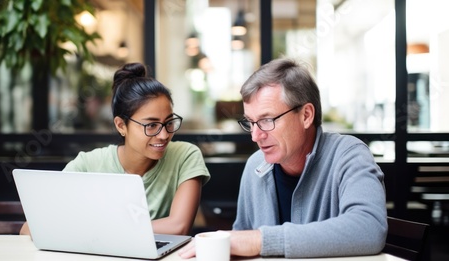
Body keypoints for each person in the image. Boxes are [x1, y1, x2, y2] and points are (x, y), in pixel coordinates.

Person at [179, 58, 387, 258]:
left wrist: (260, 241)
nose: (255, 136)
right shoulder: (255, 165)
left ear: (306, 115)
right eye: (250, 122)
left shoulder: (348, 155)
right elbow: (240, 240)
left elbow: (369, 228)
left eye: (267, 120)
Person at [20, 62, 210, 236]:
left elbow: (178, 227)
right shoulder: (88, 164)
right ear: (121, 125)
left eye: (169, 123)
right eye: (151, 125)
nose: (163, 135)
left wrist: (97, 229)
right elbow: (29, 229)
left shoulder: (185, 156)